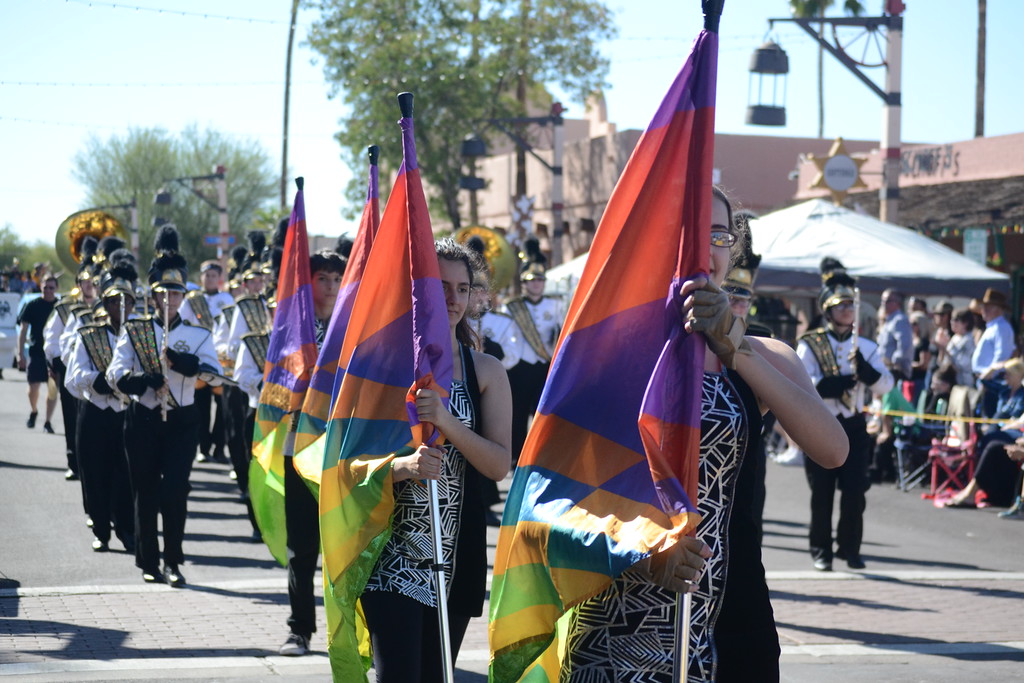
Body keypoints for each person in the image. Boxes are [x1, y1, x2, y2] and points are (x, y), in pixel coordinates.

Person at [560, 188, 848, 682]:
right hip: (622, 624)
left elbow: (832, 449)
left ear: (732, 250)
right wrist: (646, 552)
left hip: (734, 623)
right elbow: (551, 501)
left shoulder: (767, 354)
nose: (704, 249)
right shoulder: (600, 355)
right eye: (687, 234)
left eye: (718, 235)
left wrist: (735, 349)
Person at [360, 239, 512, 682]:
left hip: (456, 557)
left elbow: (498, 465)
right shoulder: (381, 365)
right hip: (391, 556)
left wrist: (447, 422)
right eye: (440, 286)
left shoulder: (487, 371)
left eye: (463, 289)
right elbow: (344, 462)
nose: (453, 299)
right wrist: (401, 468)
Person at [107, 225, 221, 586]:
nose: (170, 298)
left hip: (183, 419)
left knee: (175, 489)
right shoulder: (135, 330)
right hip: (142, 418)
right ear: (153, 296)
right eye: (163, 292)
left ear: (183, 296)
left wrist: (184, 365)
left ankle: (173, 561)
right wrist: (143, 380)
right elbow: (115, 373)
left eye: (176, 293)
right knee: (145, 490)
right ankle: (148, 561)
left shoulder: (198, 335)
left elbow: (216, 375)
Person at [797, 261, 894, 571]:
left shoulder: (866, 346)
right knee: (821, 494)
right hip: (820, 426)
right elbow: (799, 381)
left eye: (850, 305)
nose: (847, 310)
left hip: (854, 426)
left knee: (855, 493)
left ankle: (850, 548)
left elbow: (886, 384)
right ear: (827, 310)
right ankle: (820, 550)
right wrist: (826, 385)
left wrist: (868, 372)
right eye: (840, 305)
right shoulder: (810, 344)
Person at [65, 250, 138, 553]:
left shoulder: (139, 335)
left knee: (126, 474)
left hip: (125, 413)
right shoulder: (88, 335)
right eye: (114, 301)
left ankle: (126, 530)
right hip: (94, 412)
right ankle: (101, 530)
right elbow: (73, 376)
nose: (121, 307)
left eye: (127, 301)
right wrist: (97, 382)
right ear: (105, 305)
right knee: (94, 473)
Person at [501, 236, 563, 464]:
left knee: (545, 415)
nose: (536, 283)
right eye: (531, 279)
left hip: (545, 368)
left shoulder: (555, 304)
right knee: (517, 417)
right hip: (519, 368)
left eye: (540, 279)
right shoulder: (512, 307)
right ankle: (518, 458)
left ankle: (545, 457)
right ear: (524, 282)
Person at [944, 358, 1024, 509]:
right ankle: (977, 490)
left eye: (1008, 374)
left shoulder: (1022, 394)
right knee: (989, 443)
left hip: (1012, 433)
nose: (1005, 377)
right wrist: (994, 368)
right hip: (1002, 432)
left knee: (991, 444)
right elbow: (982, 381)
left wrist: (1009, 426)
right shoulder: (1004, 390)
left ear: (1018, 375)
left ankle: (972, 491)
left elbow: (1020, 421)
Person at [182, 259, 235, 464]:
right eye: (207, 275)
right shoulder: (191, 300)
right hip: (200, 358)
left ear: (219, 278)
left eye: (214, 275)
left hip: (221, 360)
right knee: (201, 406)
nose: (210, 279)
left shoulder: (227, 298)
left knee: (223, 407)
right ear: (201, 277)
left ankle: (219, 448)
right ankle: (202, 448)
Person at [17, 274, 58, 431]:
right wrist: (20, 354)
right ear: (40, 286)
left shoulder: (59, 307)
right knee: (33, 387)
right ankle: (34, 411)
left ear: (56, 289)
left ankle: (47, 422)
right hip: (36, 352)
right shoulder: (32, 305)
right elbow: (23, 330)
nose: (48, 290)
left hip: (54, 355)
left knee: (52, 389)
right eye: (45, 287)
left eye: (51, 288)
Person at [972, 288, 1016, 418]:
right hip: (987, 379)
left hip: (992, 381)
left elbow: (1002, 356)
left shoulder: (1001, 327)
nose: (983, 310)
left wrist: (989, 375)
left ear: (998, 309)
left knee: (989, 417)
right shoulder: (994, 326)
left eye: (988, 307)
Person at [876, 288, 914, 381]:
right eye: (883, 300)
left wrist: (893, 362)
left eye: (888, 301)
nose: (884, 303)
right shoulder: (888, 321)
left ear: (898, 303)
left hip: (896, 372)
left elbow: (905, 345)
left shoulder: (900, 320)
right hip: (886, 369)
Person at [935, 308, 977, 386]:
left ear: (966, 323)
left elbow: (962, 366)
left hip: (962, 383)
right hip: (949, 383)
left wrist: (945, 349)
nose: (952, 322)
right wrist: (941, 349)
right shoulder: (954, 338)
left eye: (956, 320)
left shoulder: (969, 341)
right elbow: (941, 363)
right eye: (951, 319)